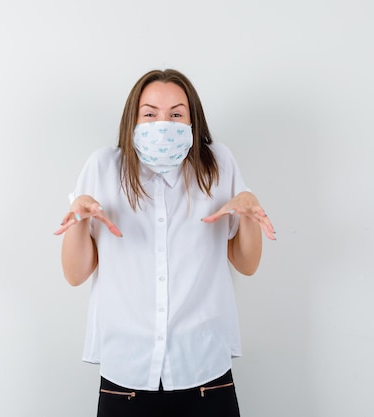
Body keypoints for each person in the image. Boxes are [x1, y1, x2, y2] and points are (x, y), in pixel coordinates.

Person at [54, 69, 275, 417]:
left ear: (192, 121)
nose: (163, 123)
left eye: (176, 114)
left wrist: (248, 212)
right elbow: (75, 274)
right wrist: (78, 222)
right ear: (133, 119)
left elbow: (246, 264)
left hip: (205, 370)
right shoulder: (102, 167)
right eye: (150, 113)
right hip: (126, 373)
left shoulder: (217, 165)